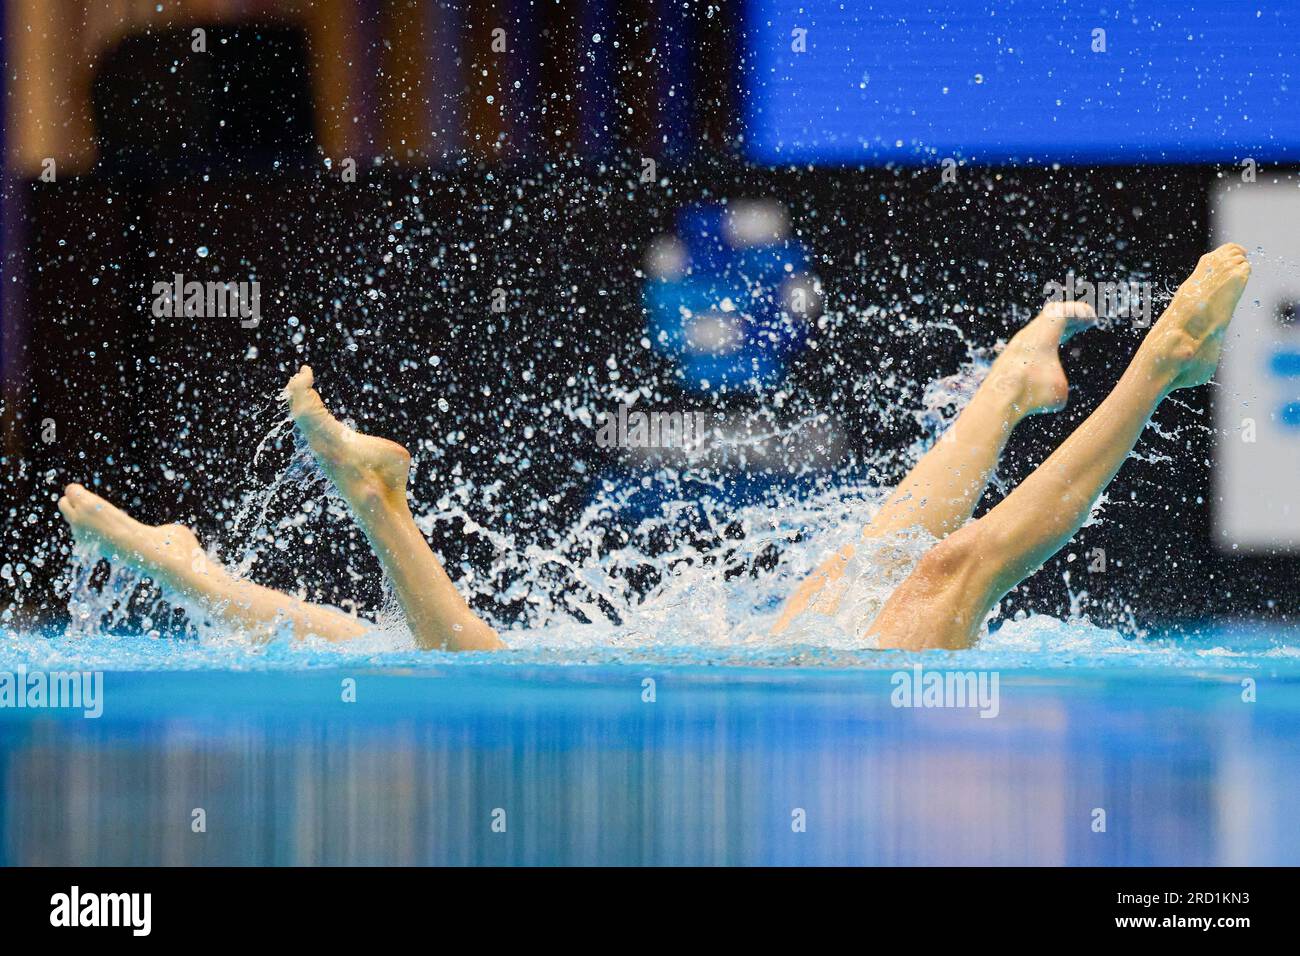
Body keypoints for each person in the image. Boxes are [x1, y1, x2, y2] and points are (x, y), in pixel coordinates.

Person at [57, 243, 1251, 651]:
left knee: (913, 562)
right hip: (783, 707)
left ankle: (1135, 365)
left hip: (781, 711)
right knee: (899, 563)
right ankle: (1076, 375)